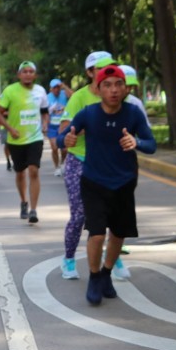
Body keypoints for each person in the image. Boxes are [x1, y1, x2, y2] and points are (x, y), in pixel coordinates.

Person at [58, 64, 156, 305]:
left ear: (125, 88)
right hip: (94, 182)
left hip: (124, 182)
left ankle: (106, 273)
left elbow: (151, 144)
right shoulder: (89, 113)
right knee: (97, 234)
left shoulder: (133, 113)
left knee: (118, 234)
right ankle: (94, 277)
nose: (114, 90)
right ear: (98, 89)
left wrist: (137, 142)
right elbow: (61, 137)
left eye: (118, 84)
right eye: (108, 85)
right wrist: (66, 139)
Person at [57, 52, 131, 280]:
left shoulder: (119, 97)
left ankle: (112, 256)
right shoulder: (79, 98)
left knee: (113, 214)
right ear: (90, 73)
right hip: (80, 162)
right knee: (80, 214)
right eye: (101, 69)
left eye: (112, 68)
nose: (108, 73)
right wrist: (79, 132)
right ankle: (69, 259)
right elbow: (63, 132)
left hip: (110, 164)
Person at [0, 61, 49, 223]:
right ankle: (23, 202)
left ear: (35, 75)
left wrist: (45, 124)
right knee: (20, 173)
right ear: (19, 75)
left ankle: (33, 210)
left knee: (33, 170)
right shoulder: (10, 91)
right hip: (16, 139)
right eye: (24, 71)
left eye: (31, 71)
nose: (28, 74)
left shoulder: (40, 91)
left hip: (35, 138)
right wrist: (10, 129)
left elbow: (45, 112)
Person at [46, 78, 72, 176]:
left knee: (64, 149)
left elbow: (74, 96)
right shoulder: (47, 97)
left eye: (58, 87)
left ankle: (62, 164)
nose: (56, 89)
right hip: (52, 126)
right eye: (54, 88)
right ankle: (56, 167)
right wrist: (44, 125)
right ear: (51, 89)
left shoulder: (64, 94)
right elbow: (43, 112)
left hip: (63, 125)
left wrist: (64, 86)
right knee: (54, 147)